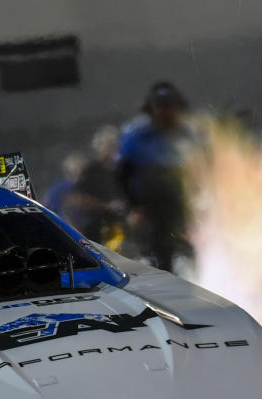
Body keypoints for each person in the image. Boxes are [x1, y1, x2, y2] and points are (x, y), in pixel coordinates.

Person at [117, 81, 193, 270]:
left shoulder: (187, 133)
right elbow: (123, 173)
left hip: (181, 200)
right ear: (152, 109)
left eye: (171, 107)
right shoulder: (137, 134)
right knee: (158, 249)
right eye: (161, 107)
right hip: (149, 203)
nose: (166, 112)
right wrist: (134, 207)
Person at [71, 125, 126, 245]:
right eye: (107, 145)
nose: (111, 149)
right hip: (97, 228)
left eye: (113, 145)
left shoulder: (120, 169)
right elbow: (78, 199)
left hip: (121, 227)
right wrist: (105, 206)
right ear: (99, 146)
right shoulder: (90, 170)